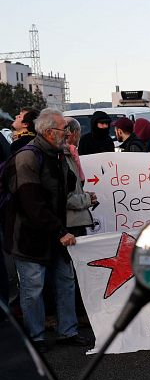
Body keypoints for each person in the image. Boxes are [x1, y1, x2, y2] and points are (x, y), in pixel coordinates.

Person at [2, 109, 92, 352]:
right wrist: (60, 231)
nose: (68, 133)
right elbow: (31, 202)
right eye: (64, 129)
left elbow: (64, 194)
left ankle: (68, 331)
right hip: (29, 236)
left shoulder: (59, 154)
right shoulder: (27, 157)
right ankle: (36, 338)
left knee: (65, 282)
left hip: (54, 232)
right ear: (50, 131)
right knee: (33, 289)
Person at [63, 118, 97, 236]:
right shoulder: (63, 157)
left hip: (73, 222)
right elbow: (64, 197)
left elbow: (71, 187)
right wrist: (86, 199)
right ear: (74, 133)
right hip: (71, 224)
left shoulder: (70, 154)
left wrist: (82, 193)